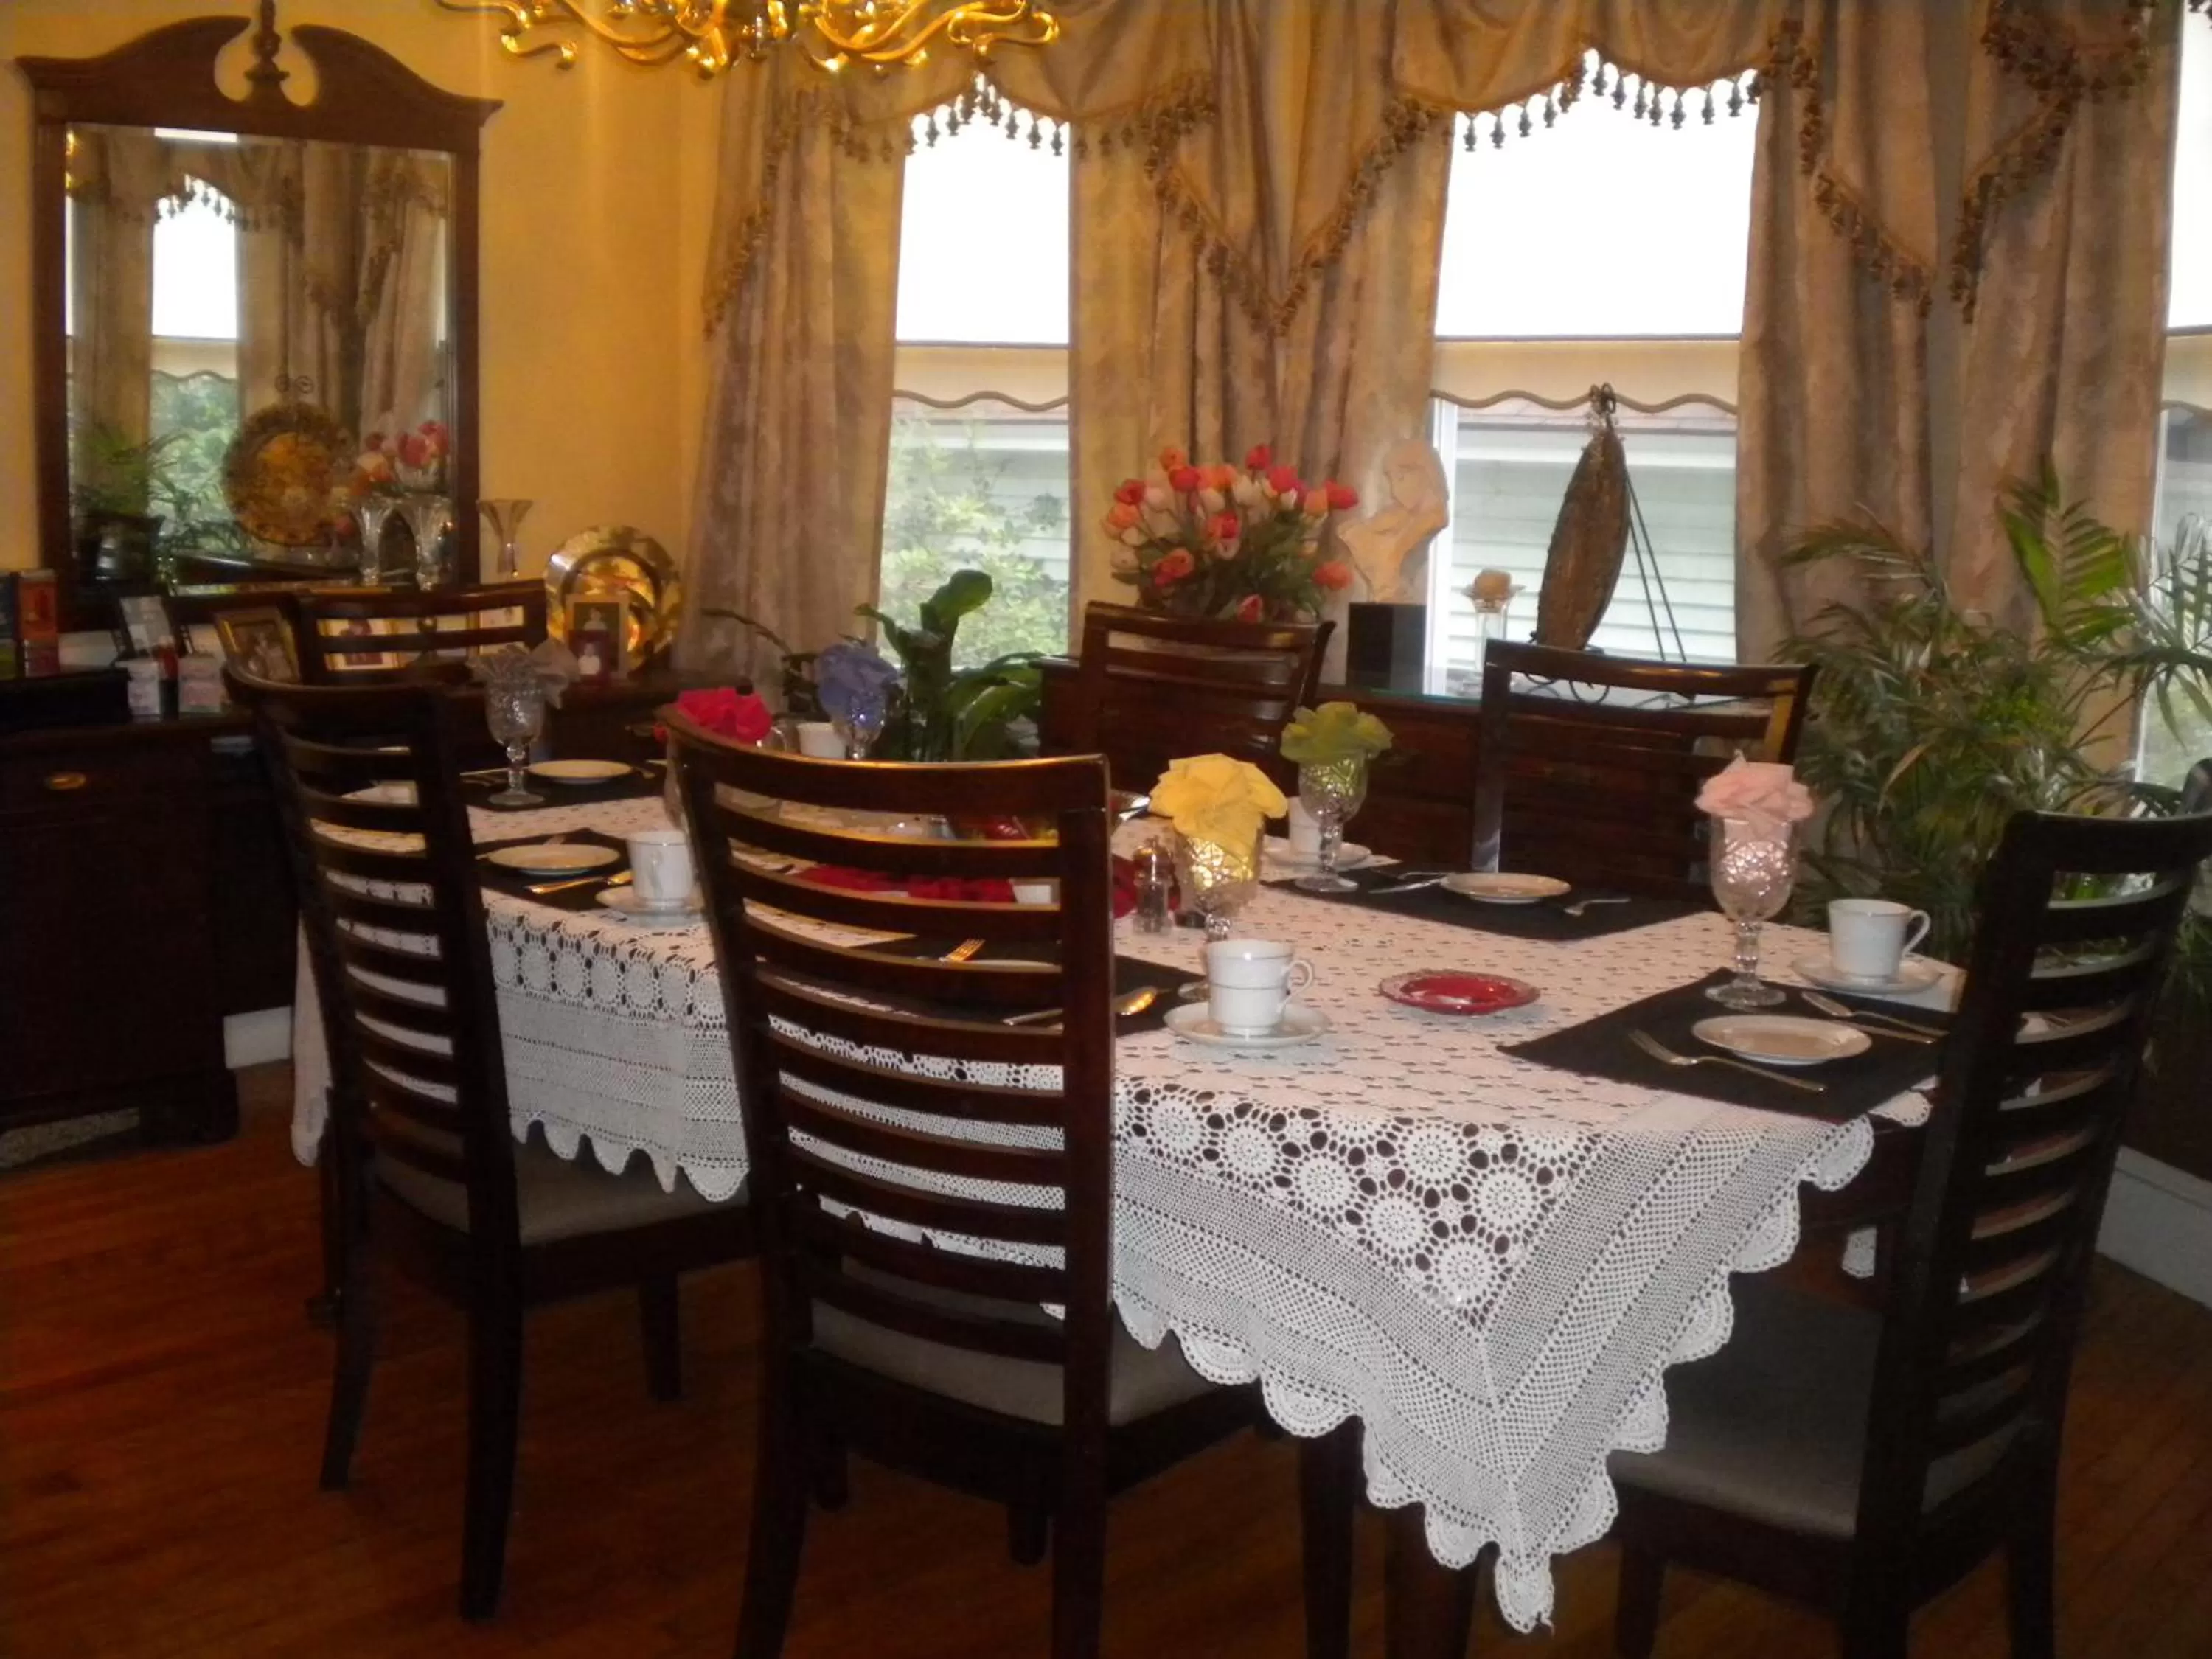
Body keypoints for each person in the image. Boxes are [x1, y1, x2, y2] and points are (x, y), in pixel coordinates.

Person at [1338, 438, 1449, 602]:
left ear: (1423, 475)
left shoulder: (1432, 520)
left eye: (1400, 478)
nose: (1392, 492)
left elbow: (1391, 561)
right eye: (1391, 480)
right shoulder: (1395, 514)